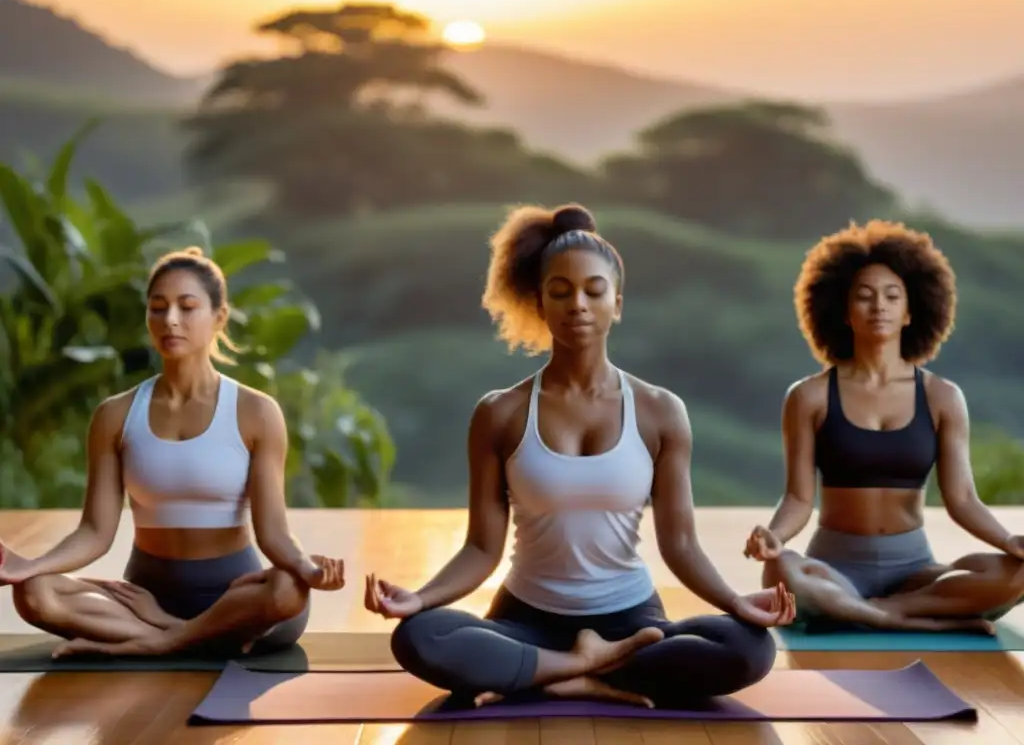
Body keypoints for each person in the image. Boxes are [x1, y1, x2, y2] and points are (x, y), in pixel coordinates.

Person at [364, 203, 795, 710]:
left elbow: (680, 544)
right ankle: (593, 669)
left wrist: (736, 601)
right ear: (540, 303)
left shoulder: (660, 412)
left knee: (748, 648)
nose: (578, 305)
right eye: (560, 292)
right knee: (419, 636)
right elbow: (482, 547)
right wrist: (420, 598)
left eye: (594, 291)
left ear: (617, 302)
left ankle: (546, 675)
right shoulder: (500, 413)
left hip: (631, 619)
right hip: (525, 619)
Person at [0, 246, 345, 659]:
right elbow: (95, 532)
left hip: (236, 600)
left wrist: (308, 568)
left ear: (219, 317)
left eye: (187, 306)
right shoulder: (115, 415)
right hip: (147, 600)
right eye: (158, 308)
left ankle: (162, 640)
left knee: (288, 589)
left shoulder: (256, 412)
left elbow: (273, 533)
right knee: (35, 594)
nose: (171, 320)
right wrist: (30, 567)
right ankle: (183, 635)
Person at [745, 220, 1024, 632]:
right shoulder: (809, 396)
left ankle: (877, 613)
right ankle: (917, 621)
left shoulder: (942, 397)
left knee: (1016, 573)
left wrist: (1009, 542)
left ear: (912, 312)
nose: (879, 306)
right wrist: (775, 537)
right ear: (843, 311)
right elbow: (798, 498)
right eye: (864, 296)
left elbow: (963, 499)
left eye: (892, 296)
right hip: (834, 568)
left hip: (914, 572)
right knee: (782, 573)